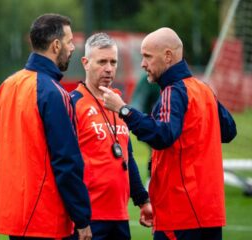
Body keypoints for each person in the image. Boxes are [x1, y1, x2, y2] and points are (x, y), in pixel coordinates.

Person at [99, 27, 237, 240]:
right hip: (210, 212)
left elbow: (162, 135)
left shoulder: (173, 91)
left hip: (181, 212)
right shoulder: (203, 90)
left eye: (147, 56)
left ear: (168, 56)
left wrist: (123, 110)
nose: (143, 63)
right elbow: (229, 131)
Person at [0, 13, 92, 240]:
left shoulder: (7, 86)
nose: (73, 48)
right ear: (56, 45)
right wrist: (82, 218)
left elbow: (2, 150)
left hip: (14, 217)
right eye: (69, 41)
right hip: (46, 219)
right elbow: (66, 162)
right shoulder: (54, 93)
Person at [67, 33, 152, 240]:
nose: (109, 68)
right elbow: (64, 163)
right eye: (102, 61)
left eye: (113, 62)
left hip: (119, 216)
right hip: (88, 218)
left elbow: (126, 157)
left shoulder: (117, 103)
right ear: (86, 63)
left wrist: (143, 200)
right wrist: (79, 217)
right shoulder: (72, 103)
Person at [131, 73, 160, 179]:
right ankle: (151, 181)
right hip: (151, 124)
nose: (144, 63)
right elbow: (137, 103)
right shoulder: (147, 80)